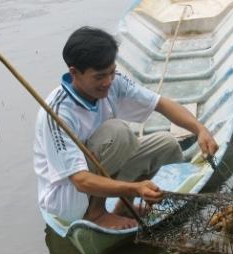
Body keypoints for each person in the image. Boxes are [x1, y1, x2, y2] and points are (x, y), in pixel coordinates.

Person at [34, 26, 218, 229]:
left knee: (166, 145)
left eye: (111, 72)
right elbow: (80, 180)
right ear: (74, 73)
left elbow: (161, 104)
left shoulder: (114, 81)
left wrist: (200, 129)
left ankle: (124, 207)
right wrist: (135, 188)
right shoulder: (57, 112)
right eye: (99, 77)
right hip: (69, 196)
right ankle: (96, 214)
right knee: (118, 133)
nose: (107, 82)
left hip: (96, 170)